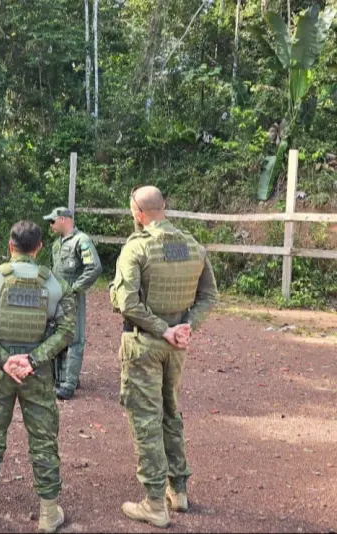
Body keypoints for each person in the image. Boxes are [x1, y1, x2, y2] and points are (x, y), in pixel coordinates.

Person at [110, 186, 218, 528]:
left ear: (137, 212)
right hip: (175, 348)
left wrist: (162, 328)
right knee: (170, 412)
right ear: (164, 207)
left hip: (144, 344)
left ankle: (155, 503)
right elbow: (209, 295)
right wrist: (185, 326)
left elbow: (126, 302)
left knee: (146, 420)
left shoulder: (136, 248)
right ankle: (179, 489)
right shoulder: (192, 246)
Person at [0, 220, 75, 533]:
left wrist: (3, 359)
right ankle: (49, 514)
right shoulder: (55, 285)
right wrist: (34, 359)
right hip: (37, 373)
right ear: (38, 247)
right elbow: (67, 331)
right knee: (43, 441)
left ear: (10, 245)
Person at [43, 207, 102, 400]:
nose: (50, 225)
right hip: (58, 296)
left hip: (72, 296)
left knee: (75, 338)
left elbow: (93, 267)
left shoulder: (81, 241)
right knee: (58, 335)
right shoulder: (57, 244)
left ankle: (69, 384)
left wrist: (75, 288)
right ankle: (61, 378)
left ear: (63, 219)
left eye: (52, 221)